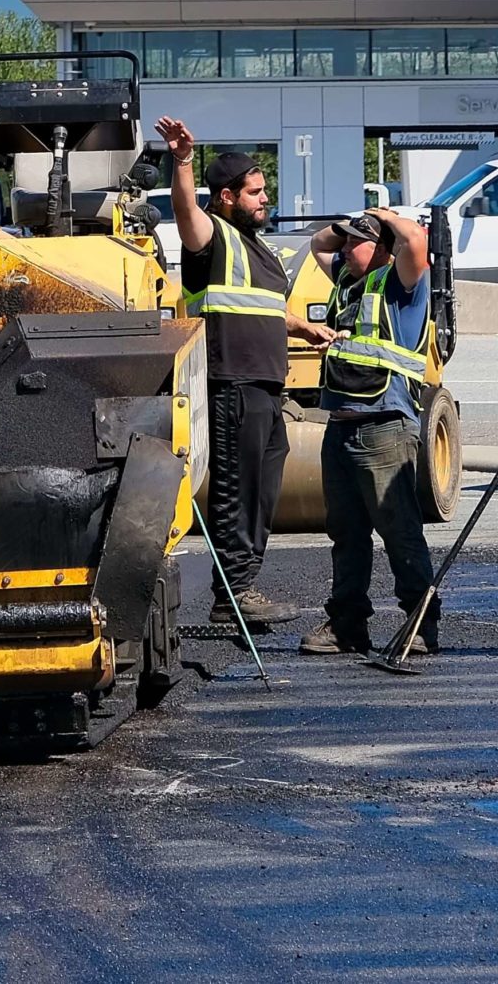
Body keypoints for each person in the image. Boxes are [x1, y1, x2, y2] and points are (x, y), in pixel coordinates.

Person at [154, 118, 332, 634]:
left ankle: (243, 582)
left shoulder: (258, 247)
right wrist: (183, 161)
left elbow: (264, 307)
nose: (265, 198)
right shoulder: (212, 238)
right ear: (227, 196)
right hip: (231, 382)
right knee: (237, 488)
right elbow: (186, 212)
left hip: (265, 384)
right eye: (255, 192)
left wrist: (304, 329)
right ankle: (232, 592)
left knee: (262, 488)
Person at [300, 205, 438, 657]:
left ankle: (421, 623)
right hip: (341, 428)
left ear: (381, 249)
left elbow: (416, 242)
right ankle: (347, 625)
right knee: (346, 534)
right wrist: (348, 223)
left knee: (399, 531)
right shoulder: (346, 281)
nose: (342, 247)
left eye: (355, 240)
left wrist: (383, 216)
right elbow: (318, 243)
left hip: (384, 427)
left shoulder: (401, 286)